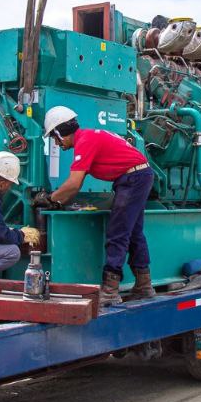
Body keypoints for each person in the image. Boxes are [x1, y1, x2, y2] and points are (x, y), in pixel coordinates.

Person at [41, 105, 155, 306]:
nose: (56, 144)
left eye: (54, 138)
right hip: (138, 176)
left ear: (61, 132)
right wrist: (59, 198)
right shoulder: (90, 137)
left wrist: (50, 199)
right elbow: (75, 184)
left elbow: (74, 184)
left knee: (118, 232)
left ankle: (110, 290)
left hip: (133, 178)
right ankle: (144, 286)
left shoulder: (85, 141)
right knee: (134, 232)